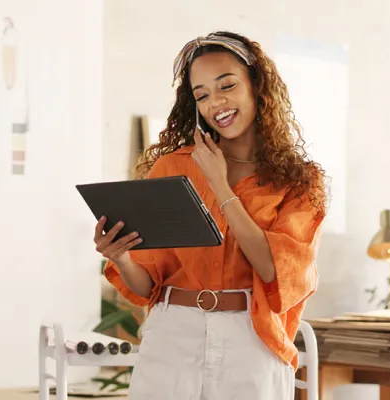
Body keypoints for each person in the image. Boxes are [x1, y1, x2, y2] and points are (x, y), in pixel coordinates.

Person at [94, 31, 327, 400]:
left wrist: (220, 186)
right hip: (173, 335)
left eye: (227, 85)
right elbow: (147, 286)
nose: (215, 102)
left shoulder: (299, 181)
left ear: (257, 85)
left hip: (251, 338)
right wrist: (120, 255)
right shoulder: (173, 167)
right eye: (201, 94)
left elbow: (274, 269)